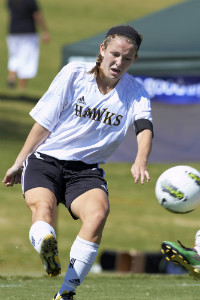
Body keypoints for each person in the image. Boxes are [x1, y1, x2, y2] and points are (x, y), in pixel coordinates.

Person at [3, 25, 154, 300]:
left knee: (97, 214)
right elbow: (44, 123)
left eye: (127, 58)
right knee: (43, 208)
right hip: (45, 161)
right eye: (115, 54)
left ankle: (67, 292)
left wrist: (140, 159)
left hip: (85, 172)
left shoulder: (137, 92)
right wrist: (19, 162)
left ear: (135, 60)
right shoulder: (73, 74)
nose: (119, 62)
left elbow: (144, 126)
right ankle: (47, 249)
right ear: (102, 50)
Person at [6, 0, 50, 90]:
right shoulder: (30, 1)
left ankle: (11, 77)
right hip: (28, 32)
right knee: (27, 58)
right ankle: (21, 87)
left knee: (14, 56)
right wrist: (45, 31)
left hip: (13, 31)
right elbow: (37, 15)